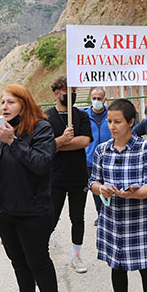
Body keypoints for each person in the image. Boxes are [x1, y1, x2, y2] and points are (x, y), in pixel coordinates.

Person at [0, 84, 61, 292]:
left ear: (24, 104)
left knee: (38, 260)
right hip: (3, 210)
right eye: (2, 102)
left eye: (10, 102)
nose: (4, 107)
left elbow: (40, 164)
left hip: (33, 209)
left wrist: (13, 141)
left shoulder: (41, 128)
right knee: (17, 261)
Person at [89, 99, 147, 292]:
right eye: (110, 121)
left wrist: (133, 192)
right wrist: (102, 189)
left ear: (131, 122)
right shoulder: (102, 149)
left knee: (146, 268)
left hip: (139, 220)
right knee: (117, 266)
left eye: (117, 121)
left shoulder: (145, 148)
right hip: (112, 220)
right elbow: (92, 182)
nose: (112, 126)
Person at [45, 76, 92, 273]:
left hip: (78, 176)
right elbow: (45, 146)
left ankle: (77, 255)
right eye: (67, 91)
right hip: (54, 177)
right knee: (50, 217)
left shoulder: (80, 116)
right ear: (57, 93)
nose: (71, 95)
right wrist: (61, 141)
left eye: (73, 91)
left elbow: (84, 141)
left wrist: (60, 143)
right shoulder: (46, 118)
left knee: (77, 218)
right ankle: (41, 251)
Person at [84, 87, 111, 226]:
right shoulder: (84, 116)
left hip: (110, 159)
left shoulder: (112, 115)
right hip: (90, 160)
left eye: (99, 98)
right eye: (94, 98)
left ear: (105, 99)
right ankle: (100, 214)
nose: (96, 101)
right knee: (96, 189)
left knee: (110, 187)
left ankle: (111, 214)